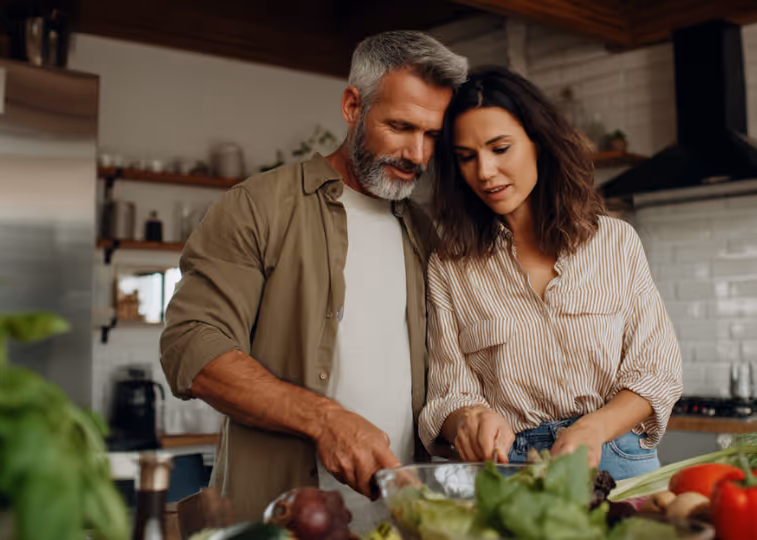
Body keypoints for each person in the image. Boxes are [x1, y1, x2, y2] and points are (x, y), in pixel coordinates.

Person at [160, 31, 468, 523]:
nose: (417, 154)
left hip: (399, 520)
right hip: (278, 517)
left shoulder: (423, 232)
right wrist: (325, 420)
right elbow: (191, 346)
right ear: (352, 106)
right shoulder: (258, 206)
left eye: (432, 135)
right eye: (401, 126)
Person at [418, 67, 682, 481]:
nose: (484, 172)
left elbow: (657, 370)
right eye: (466, 157)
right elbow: (448, 394)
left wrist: (594, 427)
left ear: (538, 144)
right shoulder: (450, 266)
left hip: (614, 456)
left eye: (500, 148)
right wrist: (470, 420)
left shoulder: (614, 242)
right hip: (511, 469)